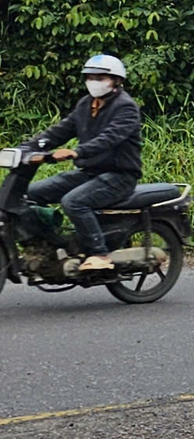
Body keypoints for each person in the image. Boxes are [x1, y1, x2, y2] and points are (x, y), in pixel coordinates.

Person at [27, 54, 144, 275]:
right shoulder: (85, 104)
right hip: (89, 173)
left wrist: (77, 151)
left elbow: (110, 138)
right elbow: (60, 131)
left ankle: (100, 254)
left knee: (73, 202)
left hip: (119, 176)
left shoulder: (125, 107)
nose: (94, 81)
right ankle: (52, 245)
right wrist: (28, 147)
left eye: (101, 77)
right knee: (30, 193)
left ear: (116, 80)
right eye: (90, 77)